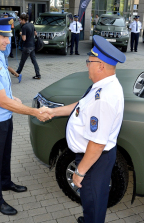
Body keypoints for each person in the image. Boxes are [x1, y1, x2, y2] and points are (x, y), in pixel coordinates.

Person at [0, 17, 51, 216]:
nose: (8, 41)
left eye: (8, 36)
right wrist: (34, 112)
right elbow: (2, 102)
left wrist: (12, 96)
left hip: (5, 116)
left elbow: (3, 90)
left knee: (5, 154)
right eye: (3, 36)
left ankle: (6, 183)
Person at [42, 35, 125, 223]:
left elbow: (96, 144)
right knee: (91, 199)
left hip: (94, 160)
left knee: (93, 200)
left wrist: (79, 172)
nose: (87, 64)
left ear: (101, 66)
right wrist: (53, 112)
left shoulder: (104, 98)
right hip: (94, 158)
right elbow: (80, 106)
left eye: (90, 61)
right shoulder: (103, 86)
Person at [16, 13, 41, 80]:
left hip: (27, 47)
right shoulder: (31, 25)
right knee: (34, 61)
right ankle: (38, 74)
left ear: (24, 20)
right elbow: (35, 33)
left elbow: (24, 39)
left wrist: (21, 34)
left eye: (20, 20)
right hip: (32, 45)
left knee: (22, 61)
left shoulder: (24, 27)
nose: (20, 22)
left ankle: (17, 73)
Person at [2, 12, 22, 83]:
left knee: (5, 66)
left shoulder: (7, 31)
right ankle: (17, 75)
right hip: (3, 51)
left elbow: (7, 43)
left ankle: (15, 76)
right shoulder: (5, 29)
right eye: (4, 16)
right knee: (5, 66)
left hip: (4, 52)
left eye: (6, 16)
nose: (5, 17)